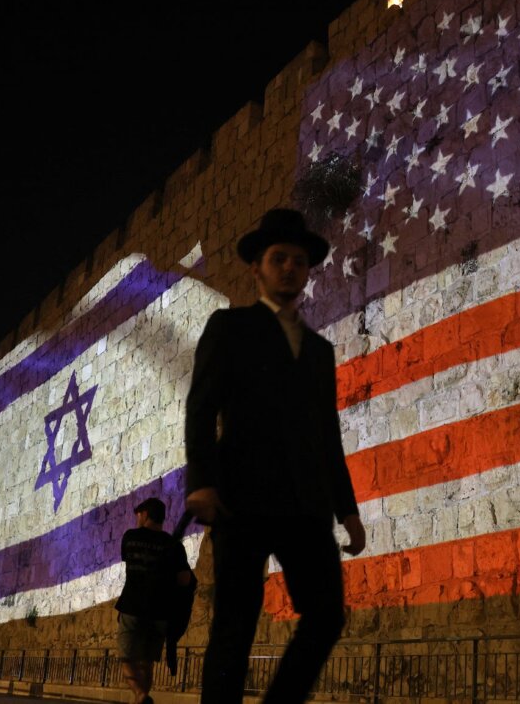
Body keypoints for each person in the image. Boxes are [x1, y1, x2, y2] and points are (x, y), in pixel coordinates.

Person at [186, 208, 366, 703]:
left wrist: (347, 509)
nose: (289, 268)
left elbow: (327, 434)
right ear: (258, 268)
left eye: (298, 261)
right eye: (279, 258)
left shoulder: (319, 351)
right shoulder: (229, 327)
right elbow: (200, 407)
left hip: (305, 507)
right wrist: (200, 480)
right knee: (235, 627)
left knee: (327, 613)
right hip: (240, 500)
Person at [115, 497, 192, 704]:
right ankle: (143, 698)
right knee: (147, 661)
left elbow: (129, 560)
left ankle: (140, 695)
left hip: (132, 606)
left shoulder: (130, 537)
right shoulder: (173, 544)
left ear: (145, 514)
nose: (137, 518)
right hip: (159, 611)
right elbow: (185, 579)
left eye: (139, 514)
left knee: (126, 657)